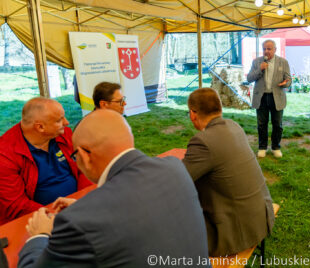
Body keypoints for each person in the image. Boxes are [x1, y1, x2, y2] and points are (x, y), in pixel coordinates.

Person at [18, 110, 211, 268]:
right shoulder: (174, 167)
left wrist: (40, 235)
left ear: (85, 154)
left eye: (75, 156)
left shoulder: (77, 223)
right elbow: (140, 205)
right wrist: (87, 208)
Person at [183, 88, 275, 257]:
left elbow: (180, 180)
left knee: (173, 217)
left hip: (236, 232)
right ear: (220, 109)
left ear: (192, 114)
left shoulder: (203, 142)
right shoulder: (234, 126)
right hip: (260, 216)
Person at [0, 98, 92, 225]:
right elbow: (16, 205)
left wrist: (82, 201)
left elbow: (85, 168)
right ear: (40, 127)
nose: (66, 122)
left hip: (77, 206)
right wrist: (56, 215)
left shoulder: (64, 134)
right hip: (40, 220)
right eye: (59, 120)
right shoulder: (5, 154)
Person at [247, 39, 291, 158]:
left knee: (277, 124)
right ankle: (262, 147)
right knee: (262, 124)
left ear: (275, 50)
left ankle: (276, 147)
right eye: (264, 49)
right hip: (261, 97)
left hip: (276, 97)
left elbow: (288, 79)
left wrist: (286, 83)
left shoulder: (283, 62)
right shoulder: (256, 62)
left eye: (269, 49)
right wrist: (259, 69)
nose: (266, 51)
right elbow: (249, 78)